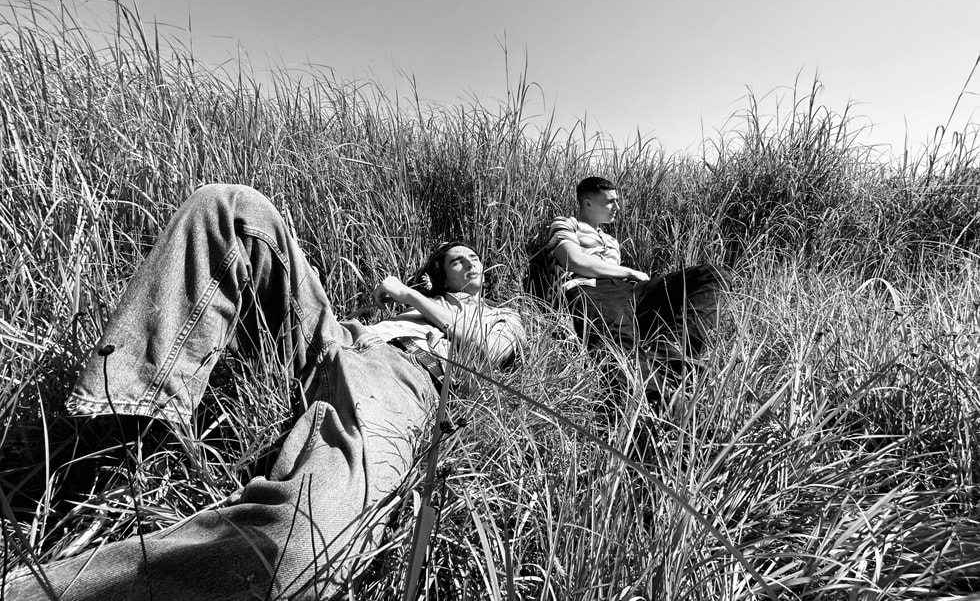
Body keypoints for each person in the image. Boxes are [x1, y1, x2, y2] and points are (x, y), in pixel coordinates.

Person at [6, 183, 525, 601]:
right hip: (337, 339)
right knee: (233, 210)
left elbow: (487, 353)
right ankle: (124, 426)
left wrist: (408, 297)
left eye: (475, 258)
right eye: (457, 259)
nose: (471, 262)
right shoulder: (403, 310)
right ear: (439, 272)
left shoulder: (501, 315)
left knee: (297, 556)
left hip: (401, 378)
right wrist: (374, 319)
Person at [546, 176, 730, 397]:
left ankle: (670, 354)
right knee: (619, 338)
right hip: (591, 286)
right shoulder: (567, 224)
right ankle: (652, 400)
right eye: (610, 202)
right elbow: (575, 261)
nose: (617, 207)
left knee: (711, 274)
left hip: (630, 291)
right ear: (588, 204)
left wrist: (634, 280)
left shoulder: (612, 240)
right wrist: (630, 272)